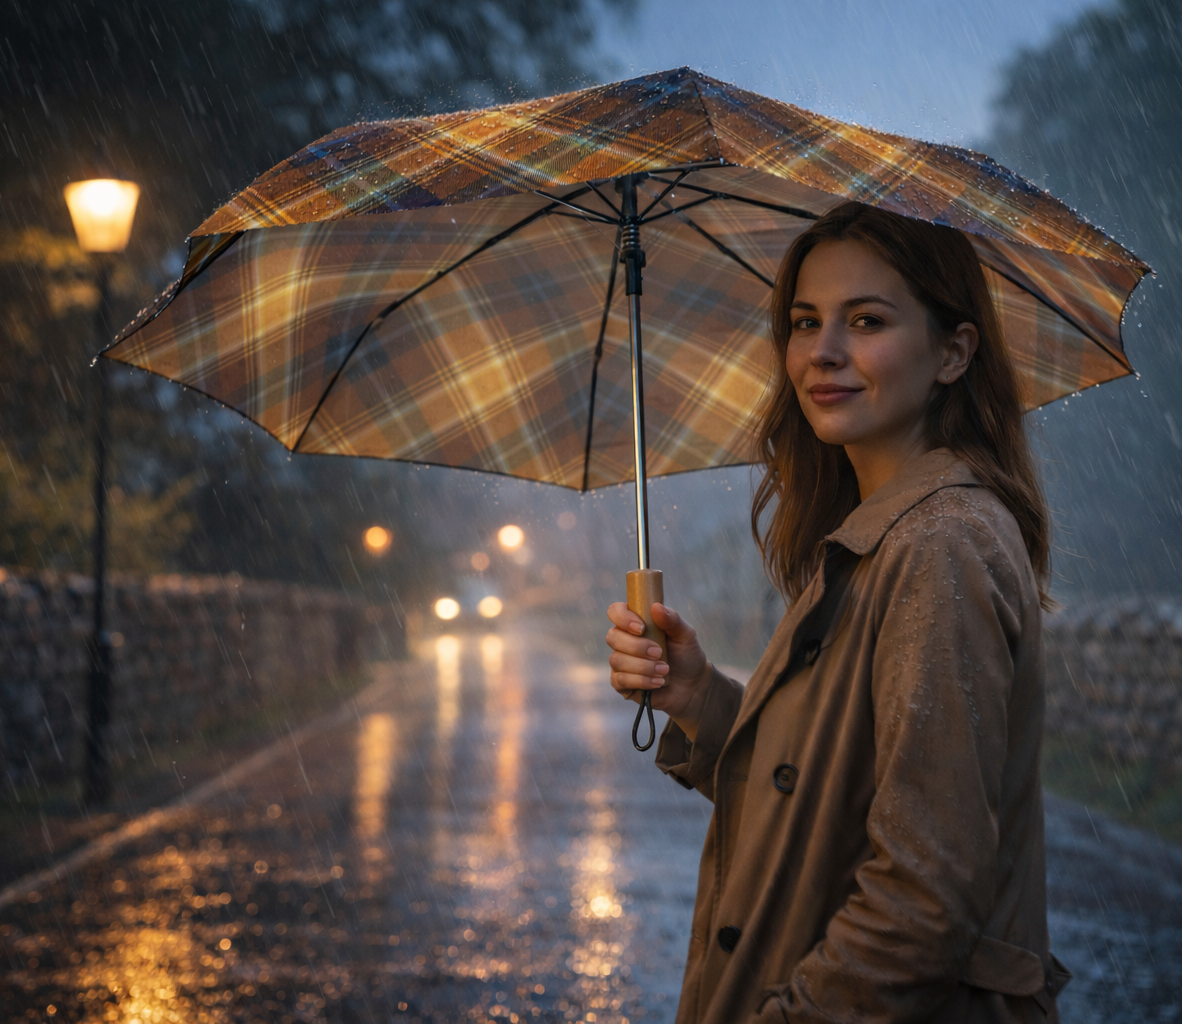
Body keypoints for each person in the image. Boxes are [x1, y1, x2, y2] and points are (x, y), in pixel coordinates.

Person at [605, 202, 1072, 1024]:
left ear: (954, 352)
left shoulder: (939, 545)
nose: (822, 352)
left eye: (866, 320)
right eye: (804, 321)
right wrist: (700, 697)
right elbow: (817, 799)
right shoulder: (879, 535)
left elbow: (922, 901)